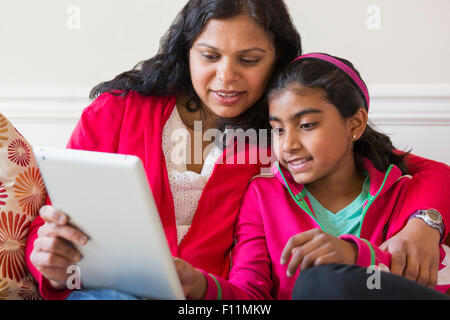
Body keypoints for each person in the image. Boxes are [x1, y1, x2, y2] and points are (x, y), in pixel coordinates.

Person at [25, 0, 449, 300]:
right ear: (186, 51)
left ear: (276, 62)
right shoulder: (115, 113)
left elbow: (425, 171)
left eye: (249, 60)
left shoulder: (282, 139)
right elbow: (58, 221)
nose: (225, 77)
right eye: (209, 55)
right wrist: (52, 264)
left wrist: (425, 222)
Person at [174, 53, 450, 300]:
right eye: (278, 130)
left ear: (355, 124)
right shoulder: (262, 197)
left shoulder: (404, 194)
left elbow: (416, 282)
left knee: (319, 280)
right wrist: (201, 286)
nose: (288, 144)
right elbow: (251, 295)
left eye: (306, 125)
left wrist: (354, 256)